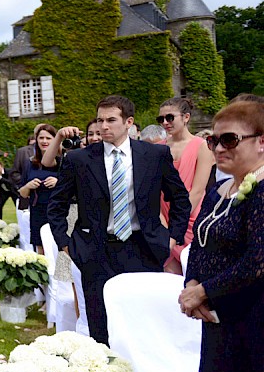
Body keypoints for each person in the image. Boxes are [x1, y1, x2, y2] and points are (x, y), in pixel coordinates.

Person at [178, 100, 264, 372]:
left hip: (256, 320)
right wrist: (190, 292)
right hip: (220, 320)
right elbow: (202, 241)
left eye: (229, 139)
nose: (218, 148)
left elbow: (258, 261)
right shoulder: (223, 187)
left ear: (262, 143)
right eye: (214, 139)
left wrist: (203, 290)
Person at [48, 95, 190, 345]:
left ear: (129, 122)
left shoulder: (155, 155)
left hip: (143, 248)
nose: (104, 126)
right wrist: (65, 244)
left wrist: (172, 239)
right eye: (100, 120)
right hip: (95, 250)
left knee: (143, 321)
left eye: (111, 120)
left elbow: (179, 199)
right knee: (100, 324)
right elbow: (57, 205)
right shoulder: (79, 159)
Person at [158, 97, 215, 274]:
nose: (165, 123)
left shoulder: (202, 146)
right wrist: (163, 225)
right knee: (168, 274)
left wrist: (177, 224)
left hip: (191, 215)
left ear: (186, 117)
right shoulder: (158, 148)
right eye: (161, 119)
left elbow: (198, 190)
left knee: (193, 271)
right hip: (163, 216)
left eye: (170, 117)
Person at [18, 124, 58, 252]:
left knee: (58, 248)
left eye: (48, 138)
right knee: (40, 248)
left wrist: (58, 182)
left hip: (58, 211)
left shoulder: (63, 161)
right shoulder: (29, 163)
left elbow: (73, 188)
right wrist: (28, 186)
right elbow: (22, 193)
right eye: (41, 138)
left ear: (55, 140)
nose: (44, 141)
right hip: (37, 211)